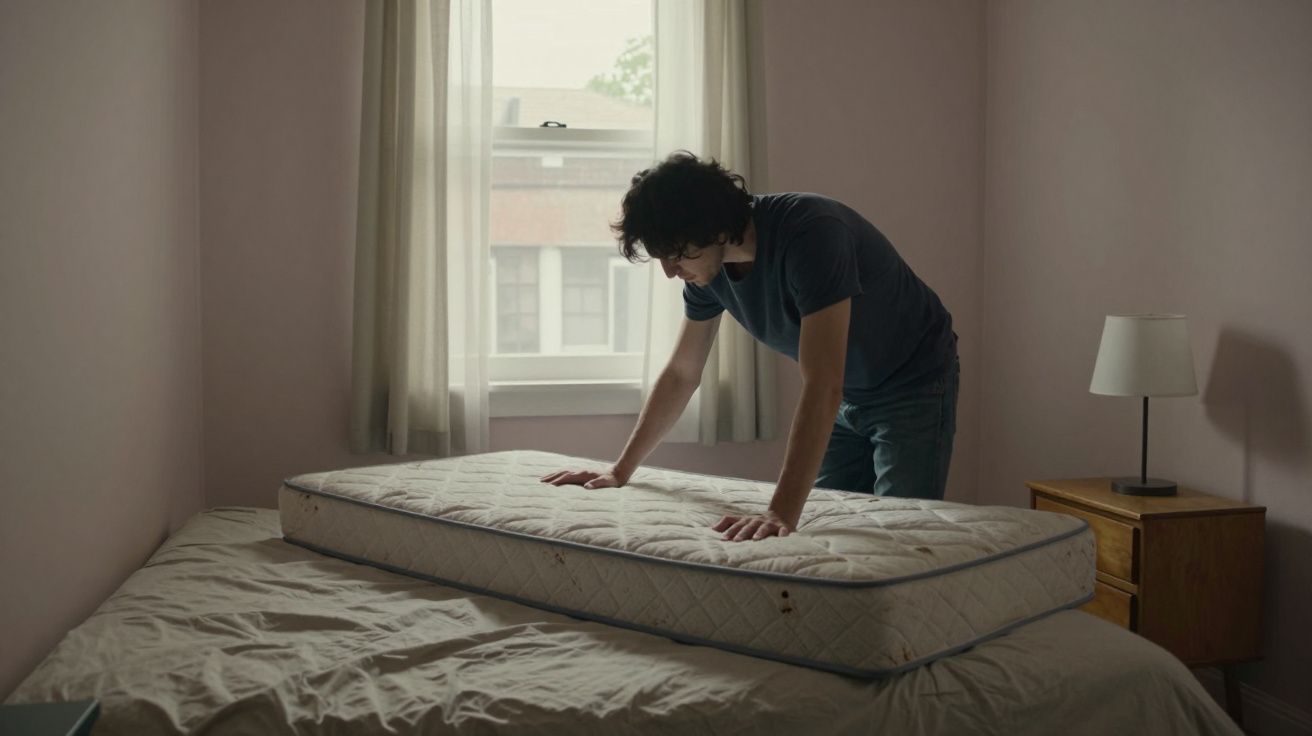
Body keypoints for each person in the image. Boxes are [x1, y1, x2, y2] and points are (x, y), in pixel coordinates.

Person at [540, 151, 959, 542]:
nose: (670, 272)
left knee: (902, 531)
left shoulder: (811, 234)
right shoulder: (709, 272)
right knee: (836, 525)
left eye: (676, 256)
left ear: (717, 229)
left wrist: (779, 510)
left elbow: (821, 382)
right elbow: (682, 373)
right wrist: (620, 470)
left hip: (913, 381)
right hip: (849, 392)